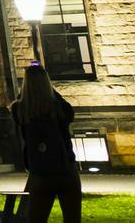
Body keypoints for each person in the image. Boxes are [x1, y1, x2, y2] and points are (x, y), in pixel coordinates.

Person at [12, 64, 82, 222]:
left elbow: (18, 105)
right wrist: (50, 91)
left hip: (40, 173)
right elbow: (69, 113)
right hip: (66, 169)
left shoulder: (20, 110)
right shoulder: (59, 108)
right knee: (72, 219)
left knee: (36, 218)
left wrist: (28, 91)